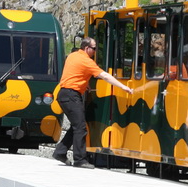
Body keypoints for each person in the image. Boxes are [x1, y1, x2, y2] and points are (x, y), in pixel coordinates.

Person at [52, 37, 133, 169]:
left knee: (77, 126)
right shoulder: (86, 61)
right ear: (87, 48)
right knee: (81, 128)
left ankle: (60, 152)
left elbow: (75, 72)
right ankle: (80, 160)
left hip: (64, 94)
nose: (95, 51)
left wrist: (86, 83)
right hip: (72, 95)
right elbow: (105, 76)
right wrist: (123, 87)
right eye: (94, 49)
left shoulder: (73, 56)